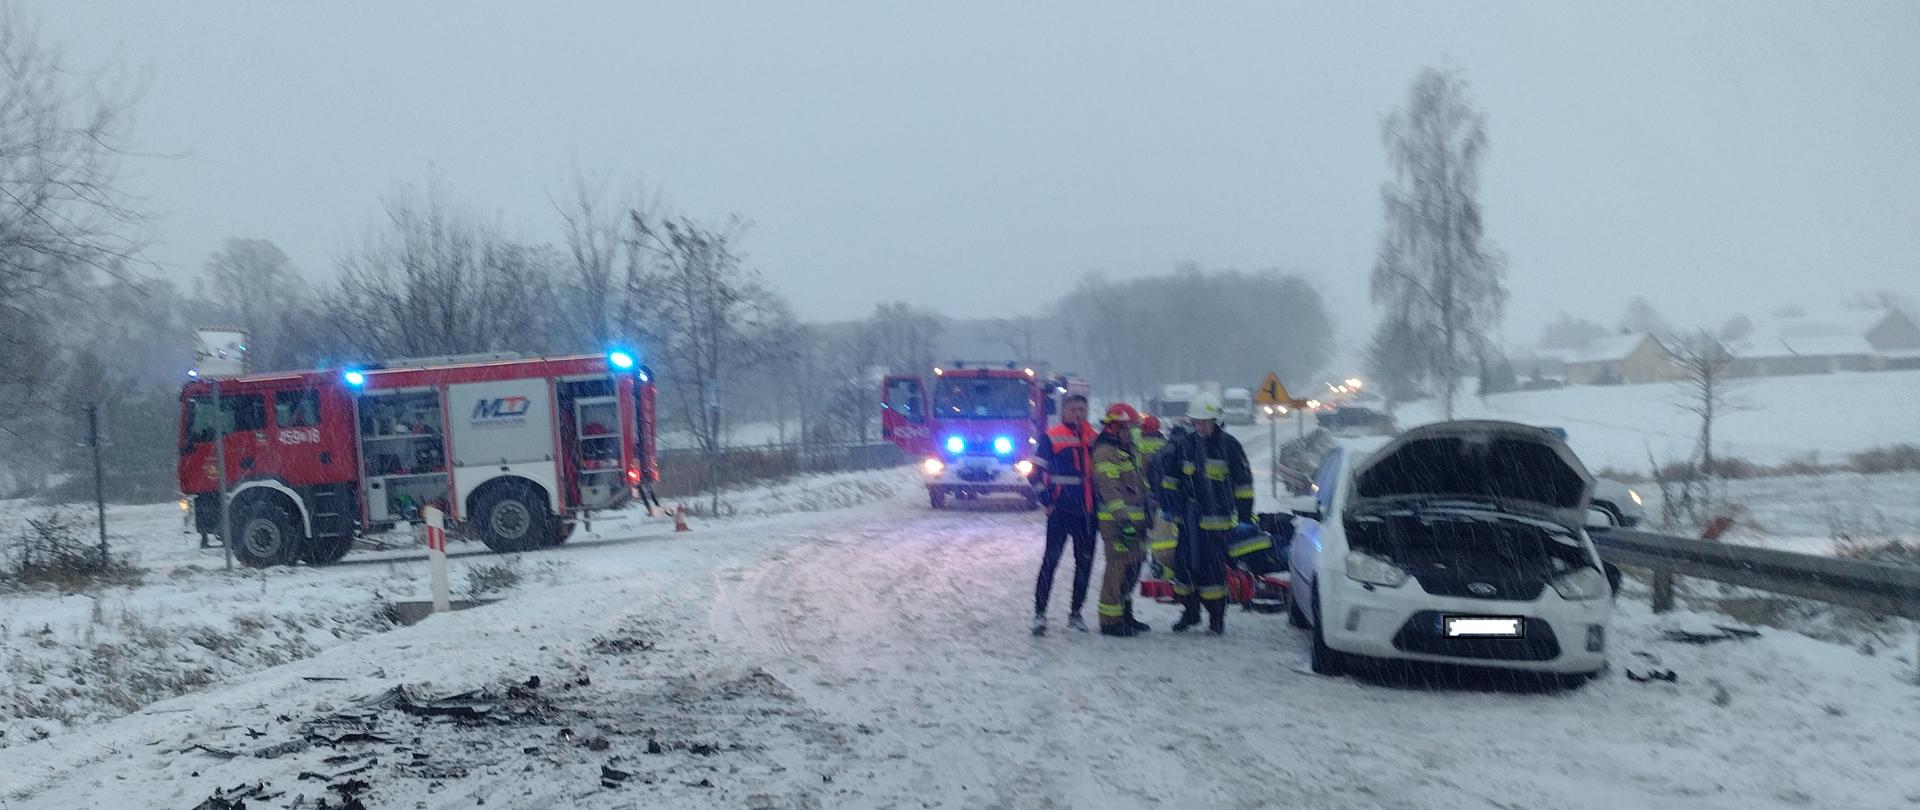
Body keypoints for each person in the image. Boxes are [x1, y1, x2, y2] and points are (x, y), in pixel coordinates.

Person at [1159, 392, 1255, 635]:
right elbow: (1170, 479)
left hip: (1217, 521)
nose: (1199, 426)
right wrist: (1173, 506)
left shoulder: (1230, 446)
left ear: (1215, 421)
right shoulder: (1184, 445)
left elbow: (1243, 483)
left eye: (1204, 422)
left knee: (1213, 571)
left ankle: (1216, 618)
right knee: (1185, 567)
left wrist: (1244, 517)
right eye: (1196, 422)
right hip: (1188, 520)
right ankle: (1190, 613)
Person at [1028, 394, 1100, 635]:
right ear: (1064, 412)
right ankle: (1040, 615)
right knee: (1050, 562)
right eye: (1073, 409)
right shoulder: (1051, 437)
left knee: (1085, 565)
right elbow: (1034, 473)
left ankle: (1076, 614)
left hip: (1088, 514)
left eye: (1082, 408)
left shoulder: (1094, 438)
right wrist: (1046, 501)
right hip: (1060, 512)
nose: (1078, 413)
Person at [1091, 403, 1154, 637]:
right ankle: (1110, 622)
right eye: (1129, 428)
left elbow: (1139, 485)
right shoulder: (1106, 452)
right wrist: (1124, 521)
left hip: (1135, 523)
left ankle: (1125, 614)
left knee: (1132, 569)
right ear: (1117, 427)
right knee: (1116, 571)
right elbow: (1110, 491)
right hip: (1117, 525)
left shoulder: (1126, 448)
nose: (1132, 433)